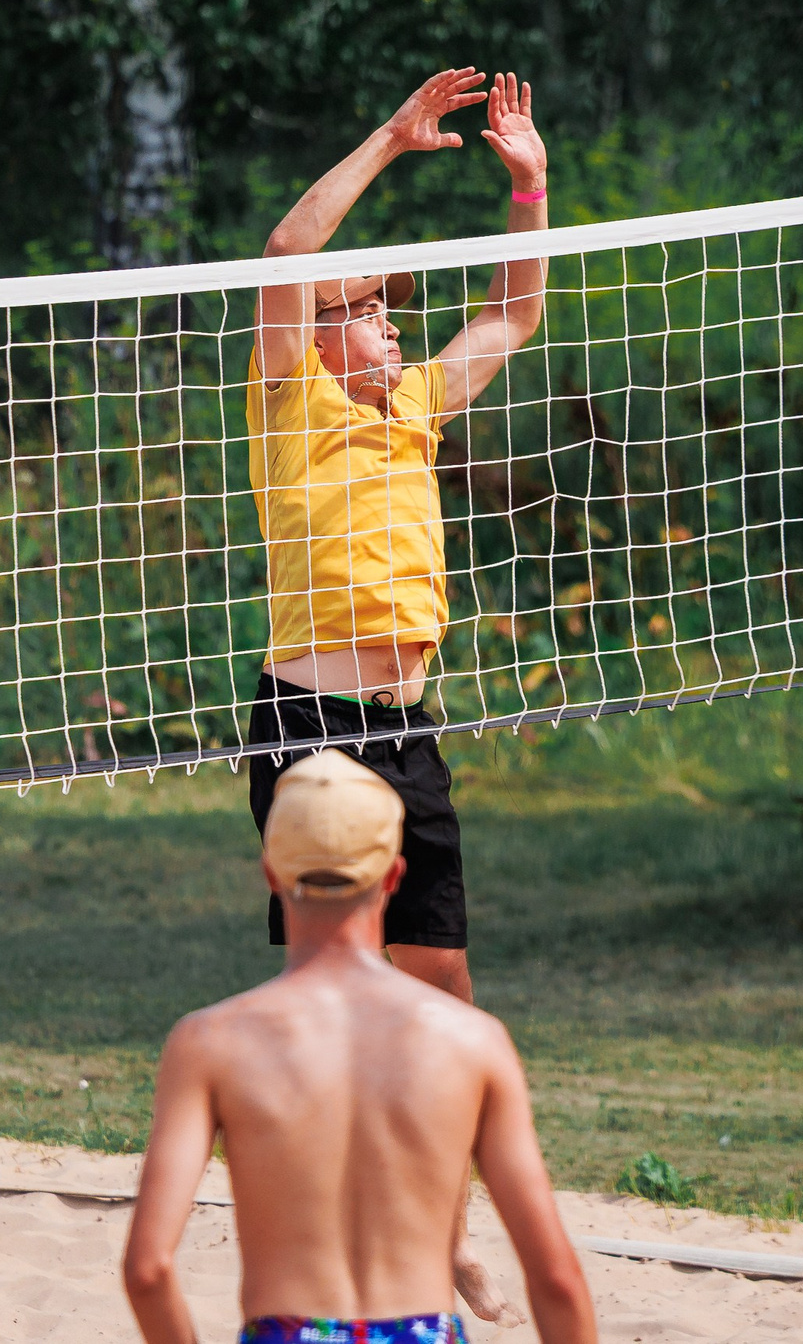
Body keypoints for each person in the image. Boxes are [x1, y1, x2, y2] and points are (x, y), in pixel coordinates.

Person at [245, 66, 549, 1315]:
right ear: (319, 335)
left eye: (387, 310)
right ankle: (331, 1248)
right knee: (329, 1010)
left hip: (406, 735)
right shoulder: (288, 404)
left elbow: (514, 315)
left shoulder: (416, 408)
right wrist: (391, 140)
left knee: (443, 1004)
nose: (389, 325)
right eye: (366, 309)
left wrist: (526, 180)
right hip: (310, 737)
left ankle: (441, 1233)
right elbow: (282, 249)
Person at [122, 752, 598, 1344]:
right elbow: (555, 1278)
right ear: (396, 876)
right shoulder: (472, 1040)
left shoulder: (211, 1041)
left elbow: (147, 1270)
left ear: (271, 873)